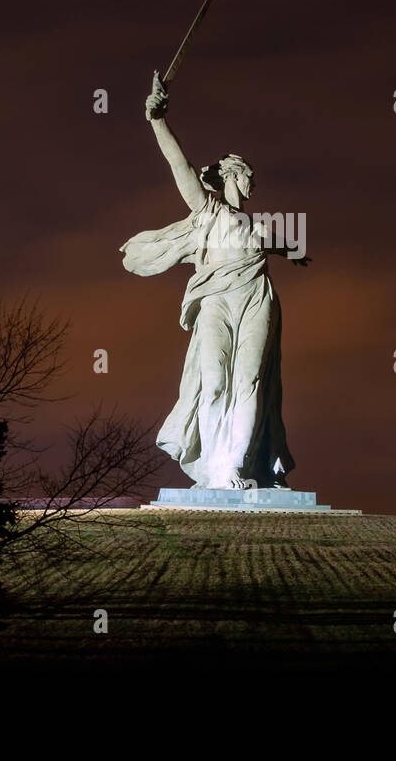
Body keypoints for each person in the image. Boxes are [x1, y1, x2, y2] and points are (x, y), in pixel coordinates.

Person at [120, 71, 308, 489]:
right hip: (216, 302)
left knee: (250, 381)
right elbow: (179, 164)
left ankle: (235, 466)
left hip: (256, 299)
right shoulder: (208, 210)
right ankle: (216, 468)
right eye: (248, 175)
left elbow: (273, 241)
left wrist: (293, 251)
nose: (253, 183)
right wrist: (158, 120)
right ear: (232, 175)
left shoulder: (257, 226)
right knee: (215, 381)